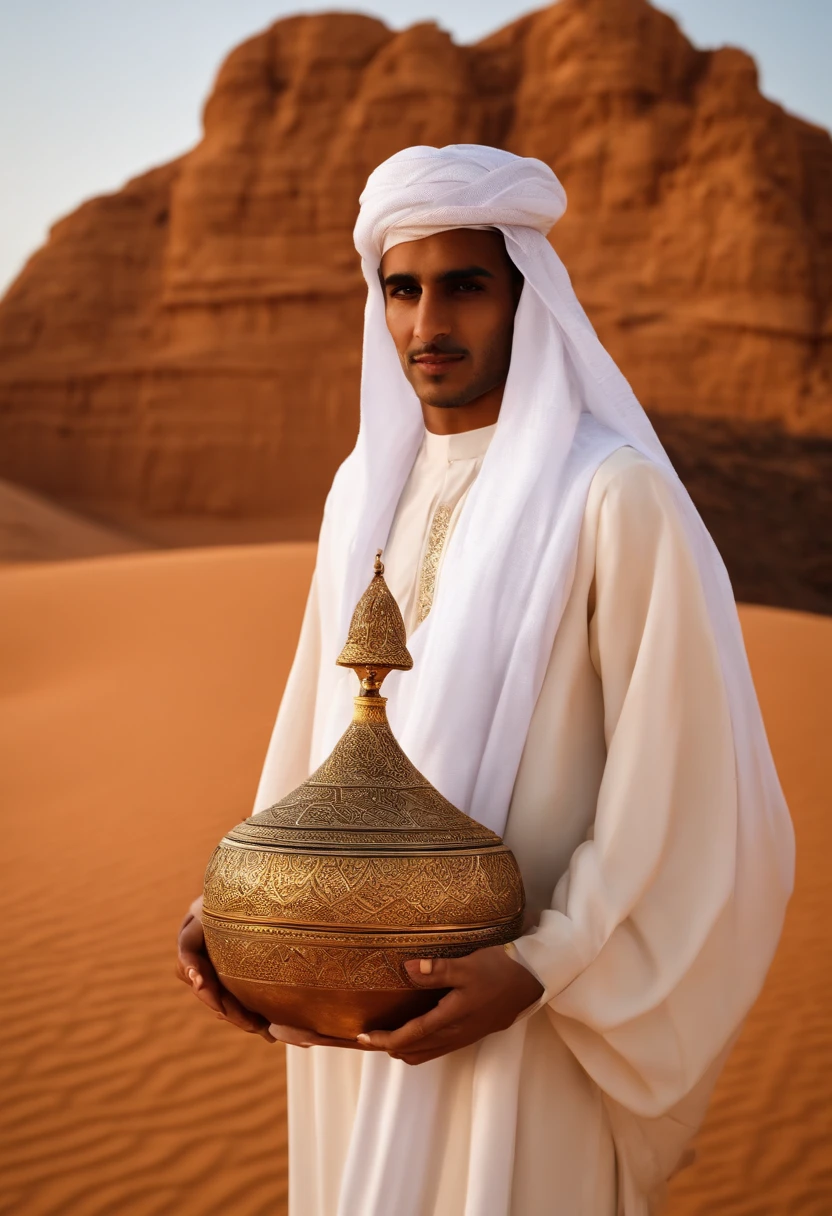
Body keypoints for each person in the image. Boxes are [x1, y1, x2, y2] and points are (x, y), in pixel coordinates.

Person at [177, 145, 794, 1215]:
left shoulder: (608, 495)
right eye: (402, 288)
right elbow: (312, 731)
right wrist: (236, 903)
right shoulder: (362, 490)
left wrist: (541, 964)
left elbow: (683, 786)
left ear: (523, 294)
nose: (428, 323)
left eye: (464, 284)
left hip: (523, 1017)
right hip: (352, 1003)